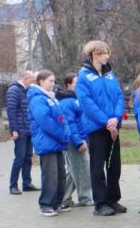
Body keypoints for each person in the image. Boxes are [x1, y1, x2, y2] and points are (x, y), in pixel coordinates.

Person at [76, 41, 126, 216]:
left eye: (107, 52)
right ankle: (100, 203)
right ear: (94, 54)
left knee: (114, 165)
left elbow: (119, 97)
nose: (107, 56)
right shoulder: (83, 77)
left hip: (113, 127)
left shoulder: (110, 75)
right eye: (104, 53)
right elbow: (87, 104)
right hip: (97, 128)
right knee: (98, 167)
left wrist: (116, 118)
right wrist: (106, 121)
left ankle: (113, 199)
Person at [27, 70, 71, 217]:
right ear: (41, 81)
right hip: (47, 142)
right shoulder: (38, 99)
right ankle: (46, 204)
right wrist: (61, 135)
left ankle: (58, 201)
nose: (53, 84)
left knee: (60, 174)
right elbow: (45, 121)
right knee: (50, 174)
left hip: (56, 141)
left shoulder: (51, 98)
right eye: (50, 81)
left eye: (53, 81)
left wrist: (66, 132)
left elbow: (61, 118)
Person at [57, 74, 93, 207]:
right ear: (68, 85)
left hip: (81, 138)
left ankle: (63, 198)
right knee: (83, 168)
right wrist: (78, 142)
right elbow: (70, 124)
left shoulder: (76, 99)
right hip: (76, 140)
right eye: (76, 83)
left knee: (74, 171)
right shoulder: (67, 102)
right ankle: (85, 197)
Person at [6, 70, 37, 195]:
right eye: (32, 80)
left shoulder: (26, 91)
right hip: (19, 130)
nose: (33, 83)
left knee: (28, 157)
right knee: (19, 158)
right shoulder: (14, 90)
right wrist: (14, 130)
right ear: (25, 79)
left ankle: (27, 183)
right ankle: (13, 185)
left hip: (28, 129)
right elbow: (11, 111)